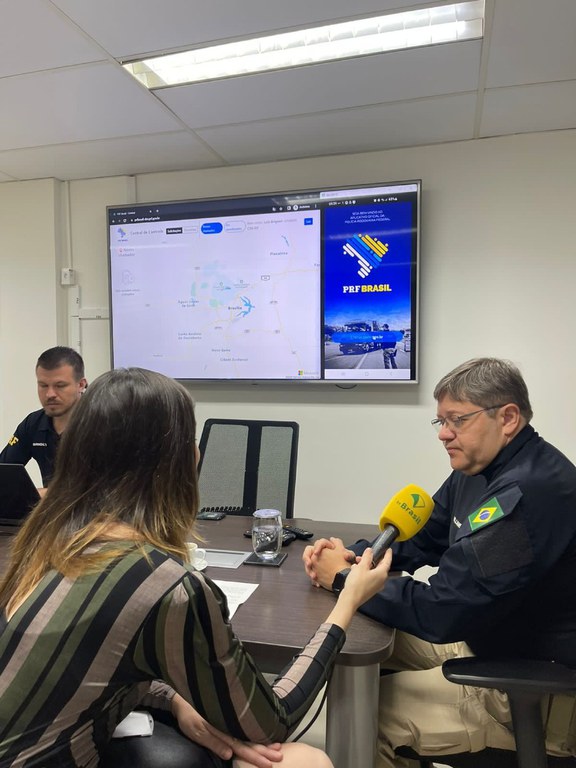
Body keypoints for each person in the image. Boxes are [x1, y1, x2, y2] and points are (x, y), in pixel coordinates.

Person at [0, 367, 392, 768]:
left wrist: (174, 698)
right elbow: (271, 722)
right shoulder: (167, 587)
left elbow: (93, 663)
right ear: (185, 460)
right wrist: (346, 601)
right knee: (304, 761)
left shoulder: (40, 545)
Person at [303, 357, 576, 767]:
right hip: (488, 635)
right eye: (441, 422)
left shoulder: (527, 496)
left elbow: (441, 611)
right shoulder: (478, 468)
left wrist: (343, 579)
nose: (444, 434)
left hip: (534, 687)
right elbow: (422, 537)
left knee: (361, 717)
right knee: (357, 655)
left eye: (458, 420)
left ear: (507, 418)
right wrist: (358, 556)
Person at [0, 346, 87, 489]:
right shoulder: (33, 424)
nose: (50, 394)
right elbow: (4, 471)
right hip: (50, 503)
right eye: (43, 385)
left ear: (81, 385)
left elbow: (109, 486)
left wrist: (46, 495)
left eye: (60, 385)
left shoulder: (101, 423)